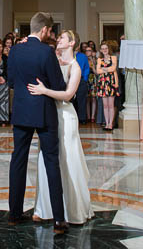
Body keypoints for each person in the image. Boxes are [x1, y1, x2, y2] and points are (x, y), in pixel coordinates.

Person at [7, 12, 68, 235]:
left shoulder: (15, 49)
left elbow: (11, 81)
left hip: (22, 110)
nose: (50, 34)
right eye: (50, 31)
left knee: (18, 160)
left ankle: (14, 214)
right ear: (44, 30)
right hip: (44, 112)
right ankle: (59, 220)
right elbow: (59, 85)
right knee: (52, 162)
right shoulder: (46, 52)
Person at [28, 30, 93, 225]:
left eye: (63, 38)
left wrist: (44, 91)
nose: (58, 40)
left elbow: (68, 95)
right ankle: (44, 208)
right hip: (48, 114)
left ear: (72, 43)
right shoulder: (52, 61)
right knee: (45, 159)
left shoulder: (75, 67)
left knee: (67, 159)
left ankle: (72, 209)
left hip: (65, 115)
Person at [96, 41, 119, 131]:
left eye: (106, 48)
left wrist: (103, 69)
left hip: (111, 82)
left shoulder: (113, 57)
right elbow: (98, 71)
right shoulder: (99, 59)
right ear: (101, 50)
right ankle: (106, 123)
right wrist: (107, 70)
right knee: (105, 105)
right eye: (103, 49)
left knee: (111, 104)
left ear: (108, 49)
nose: (104, 50)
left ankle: (110, 124)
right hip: (103, 83)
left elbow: (113, 68)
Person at [74, 39, 89, 124]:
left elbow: (86, 68)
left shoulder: (83, 56)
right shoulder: (69, 55)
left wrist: (85, 79)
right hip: (70, 81)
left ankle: (82, 118)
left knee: (82, 100)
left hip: (81, 80)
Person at [85, 46, 98, 123]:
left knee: (93, 98)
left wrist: (93, 63)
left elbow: (96, 71)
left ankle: (93, 116)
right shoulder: (84, 59)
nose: (88, 52)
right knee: (87, 98)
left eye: (89, 50)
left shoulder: (95, 60)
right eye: (86, 50)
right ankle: (88, 116)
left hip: (93, 79)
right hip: (86, 79)